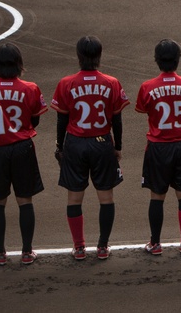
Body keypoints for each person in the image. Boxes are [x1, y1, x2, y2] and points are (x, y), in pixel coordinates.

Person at [52, 35, 130, 261]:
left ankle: (79, 247)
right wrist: (117, 146)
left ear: (78, 56)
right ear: (99, 56)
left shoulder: (67, 83)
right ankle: (103, 247)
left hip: (75, 144)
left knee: (74, 199)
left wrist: (60, 146)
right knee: (106, 198)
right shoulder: (111, 83)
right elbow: (117, 120)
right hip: (101, 143)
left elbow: (61, 120)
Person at [135, 39, 181, 256]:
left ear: (157, 60)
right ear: (178, 60)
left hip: (158, 148)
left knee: (157, 196)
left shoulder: (147, 87)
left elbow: (146, 110)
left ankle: (155, 244)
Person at [0, 44, 47, 266]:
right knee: (24, 200)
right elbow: (34, 119)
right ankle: (27, 252)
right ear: (19, 64)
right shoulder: (31, 88)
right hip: (22, 148)